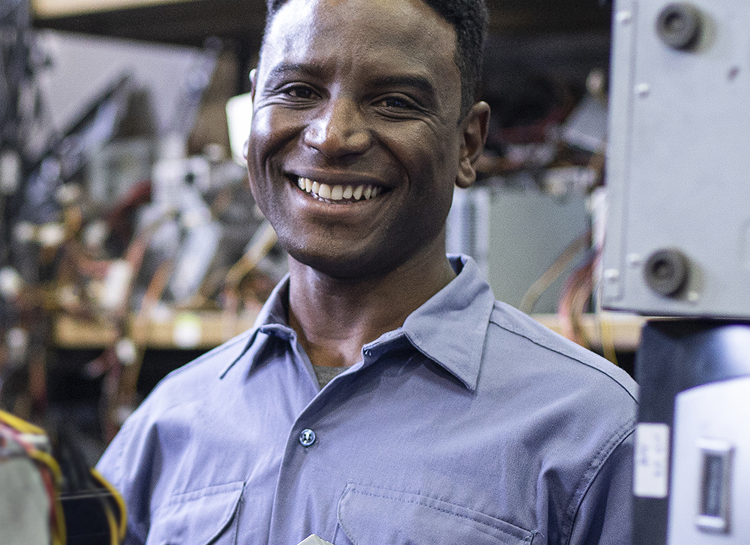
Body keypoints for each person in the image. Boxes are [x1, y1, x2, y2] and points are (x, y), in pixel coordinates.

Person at [95, 0, 638, 543]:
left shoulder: (592, 434)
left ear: (468, 143)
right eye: (299, 92)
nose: (331, 136)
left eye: (395, 103)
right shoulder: (169, 423)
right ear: (254, 110)